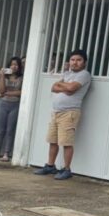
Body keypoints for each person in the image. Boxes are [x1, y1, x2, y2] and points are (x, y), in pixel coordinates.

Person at [34, 49, 91, 180]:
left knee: (66, 142)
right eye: (72, 60)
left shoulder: (84, 75)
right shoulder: (67, 74)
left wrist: (64, 86)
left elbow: (72, 89)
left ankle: (67, 169)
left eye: (78, 60)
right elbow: (54, 87)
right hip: (56, 112)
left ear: (84, 62)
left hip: (69, 112)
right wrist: (64, 86)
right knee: (52, 140)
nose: (75, 63)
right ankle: (50, 165)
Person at [0, 56, 23, 161]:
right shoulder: (5, 77)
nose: (14, 66)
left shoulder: (21, 78)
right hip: (4, 104)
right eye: (12, 64)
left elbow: (21, 92)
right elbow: (1, 90)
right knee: (0, 130)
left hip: (15, 104)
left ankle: (6, 153)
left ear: (19, 66)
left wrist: (8, 93)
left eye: (16, 64)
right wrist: (2, 76)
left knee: (10, 130)